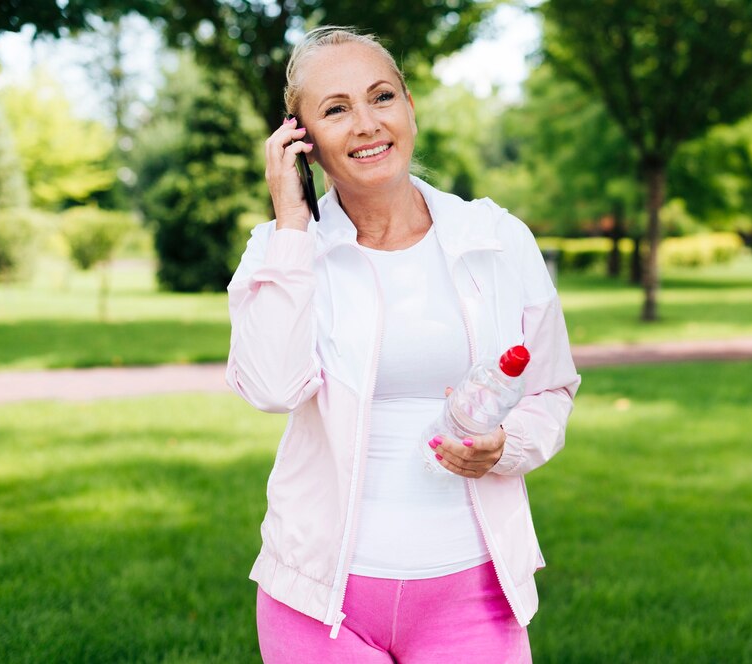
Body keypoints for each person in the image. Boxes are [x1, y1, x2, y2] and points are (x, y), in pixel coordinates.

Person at [226, 25, 580, 663]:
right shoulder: (281, 252)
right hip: (318, 605)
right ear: (300, 139)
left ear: (409, 107)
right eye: (335, 110)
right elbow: (273, 389)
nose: (365, 123)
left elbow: (551, 387)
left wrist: (507, 447)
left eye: (380, 96)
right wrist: (291, 228)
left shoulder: (497, 239)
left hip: (471, 593)